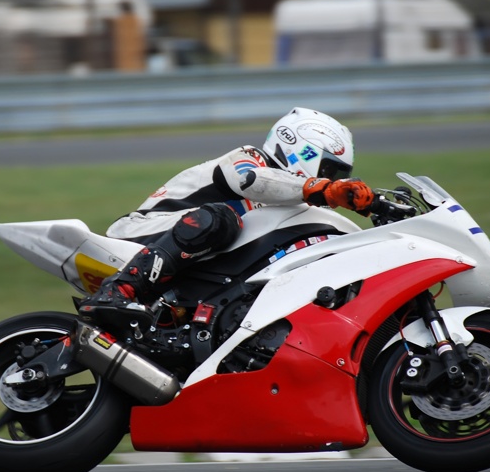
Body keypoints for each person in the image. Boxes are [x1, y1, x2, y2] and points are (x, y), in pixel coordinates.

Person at [78, 107, 375, 332]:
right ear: (303, 150)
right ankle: (118, 290)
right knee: (222, 219)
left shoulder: (292, 200)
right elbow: (253, 181)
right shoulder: (249, 158)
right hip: (140, 233)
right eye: (331, 172)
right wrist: (321, 189)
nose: (334, 180)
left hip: (187, 263)